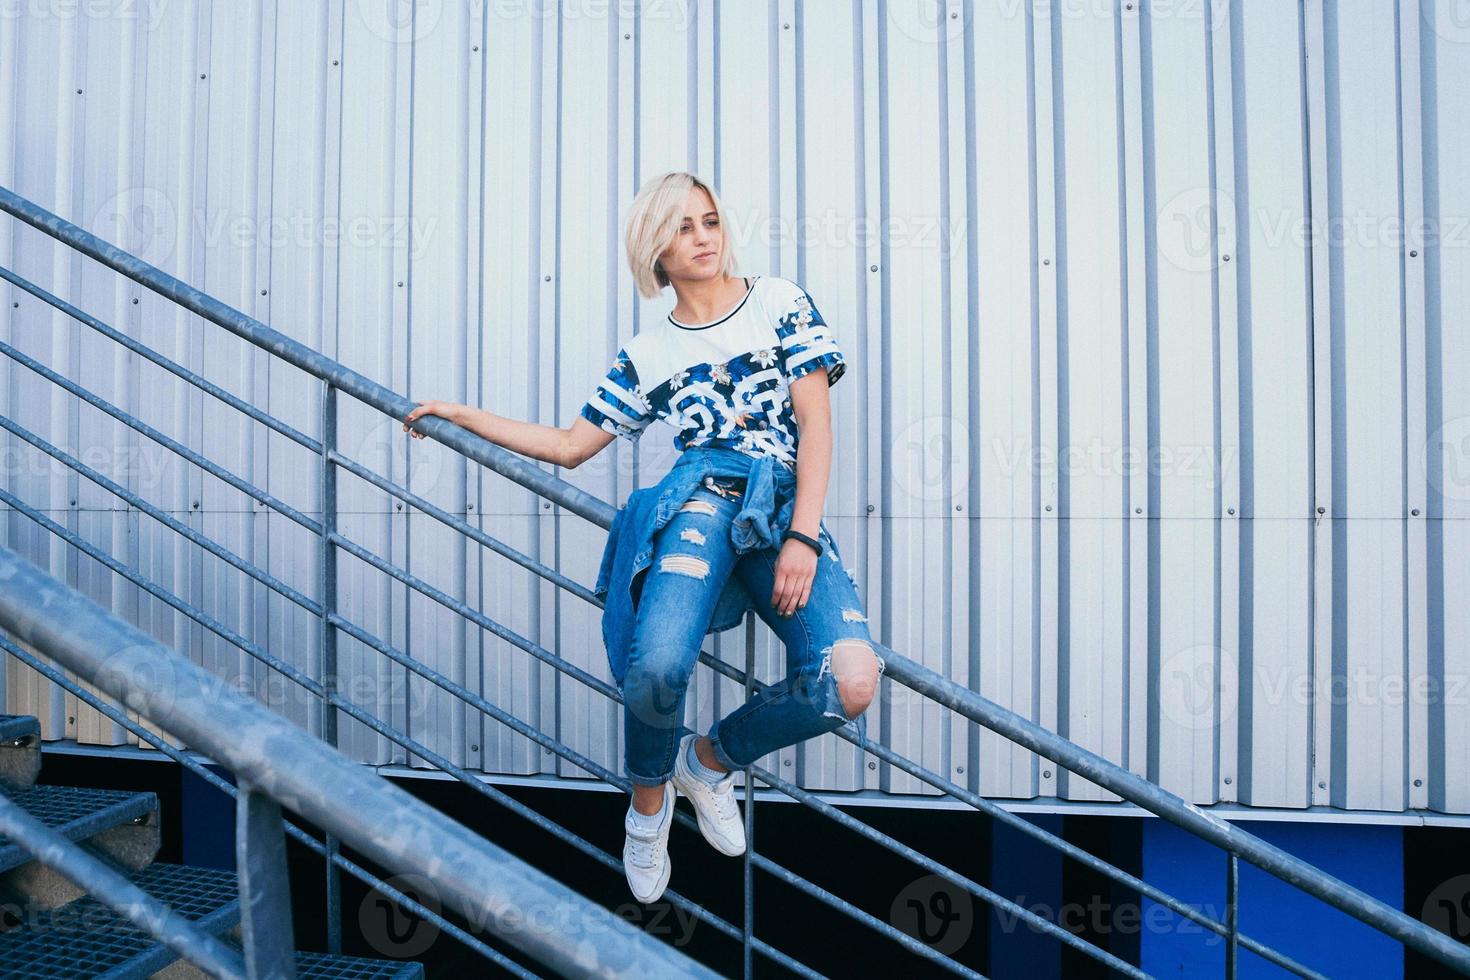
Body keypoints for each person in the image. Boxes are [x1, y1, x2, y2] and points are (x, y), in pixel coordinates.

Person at [403, 171, 884, 905]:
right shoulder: (649, 351)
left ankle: (708, 760)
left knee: (849, 680)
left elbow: (815, 423)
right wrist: (461, 413)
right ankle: (649, 804)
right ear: (654, 248)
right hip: (700, 500)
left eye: (711, 221)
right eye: (684, 227)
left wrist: (804, 537)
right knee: (656, 665)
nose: (703, 239)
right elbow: (570, 445)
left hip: (783, 503)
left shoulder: (780, 302)